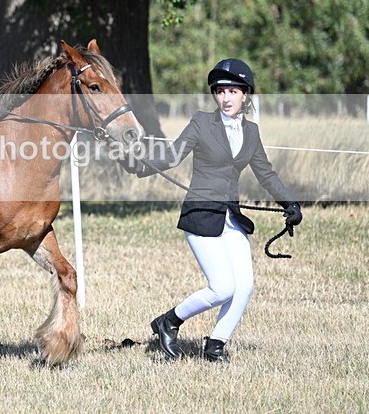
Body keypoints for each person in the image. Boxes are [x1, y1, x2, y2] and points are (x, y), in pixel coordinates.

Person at [120, 58, 303, 362]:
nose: (226, 98)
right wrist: (139, 165)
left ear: (245, 95)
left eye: (233, 91)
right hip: (201, 215)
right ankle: (169, 321)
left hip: (231, 218)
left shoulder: (252, 132)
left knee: (243, 287)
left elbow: (266, 173)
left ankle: (216, 345)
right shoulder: (202, 123)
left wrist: (290, 203)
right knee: (222, 288)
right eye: (220, 91)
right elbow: (172, 156)